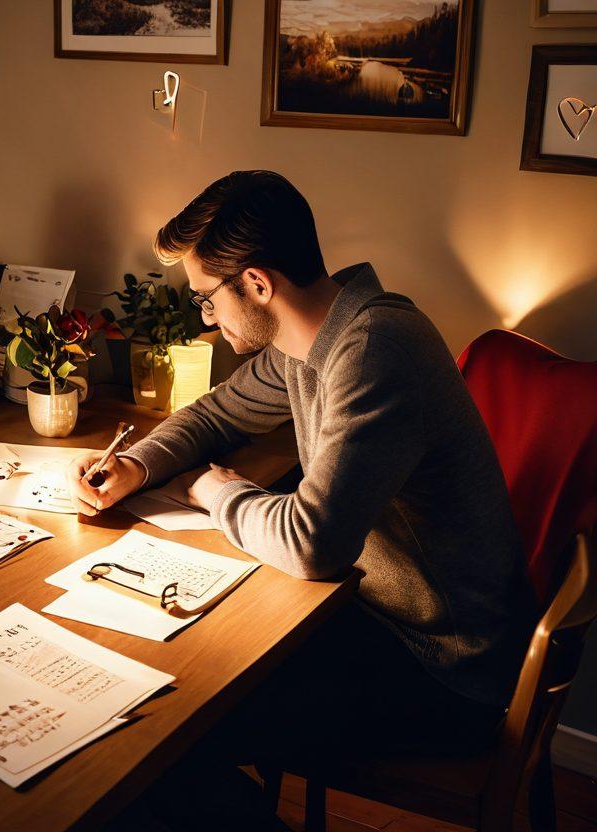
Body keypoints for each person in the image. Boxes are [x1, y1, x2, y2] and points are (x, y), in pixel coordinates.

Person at [66, 170, 536, 829]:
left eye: (206, 298)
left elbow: (311, 544)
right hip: (380, 619)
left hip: (445, 669)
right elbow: (214, 417)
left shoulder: (377, 352)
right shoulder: (311, 337)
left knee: (166, 728)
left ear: (257, 283)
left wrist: (216, 491)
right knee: (174, 691)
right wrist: (138, 465)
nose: (206, 316)